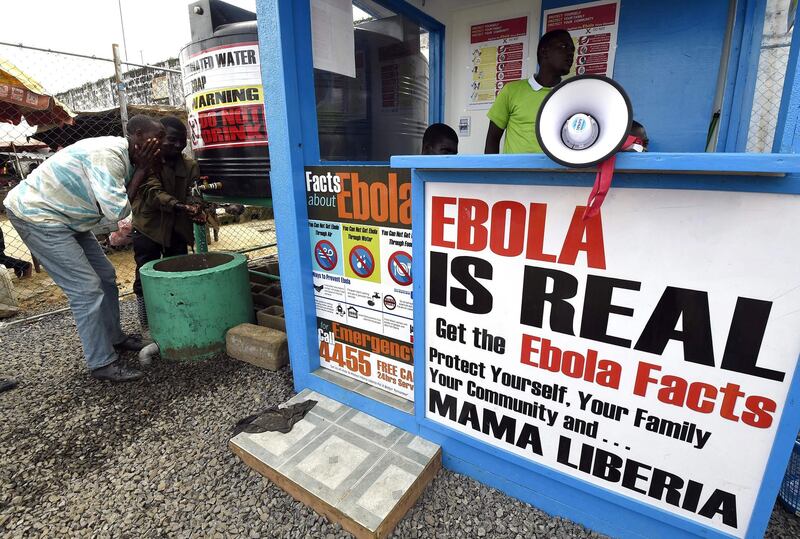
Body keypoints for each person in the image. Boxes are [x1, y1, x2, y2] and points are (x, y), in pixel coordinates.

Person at [3, 115, 164, 383]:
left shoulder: (129, 156)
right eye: (153, 138)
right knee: (86, 289)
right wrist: (142, 170)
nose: (157, 144)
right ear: (135, 136)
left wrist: (144, 167)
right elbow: (116, 211)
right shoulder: (109, 156)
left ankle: (114, 338)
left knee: (105, 276)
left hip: (68, 217)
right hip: (37, 215)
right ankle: (101, 362)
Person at [131, 115, 203, 333]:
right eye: (172, 140)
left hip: (177, 228)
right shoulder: (145, 162)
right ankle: (147, 322)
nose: (178, 145)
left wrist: (196, 206)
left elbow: (195, 191)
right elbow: (152, 193)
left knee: (178, 270)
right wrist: (180, 206)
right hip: (148, 227)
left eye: (182, 140)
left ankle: (177, 315)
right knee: (145, 274)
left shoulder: (189, 165)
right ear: (159, 138)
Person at [485, 29, 575, 154]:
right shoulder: (511, 91)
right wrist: (492, 173)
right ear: (544, 52)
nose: (570, 53)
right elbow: (492, 140)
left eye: (572, 49)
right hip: (515, 173)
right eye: (564, 46)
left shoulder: (573, 95)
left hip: (556, 172)